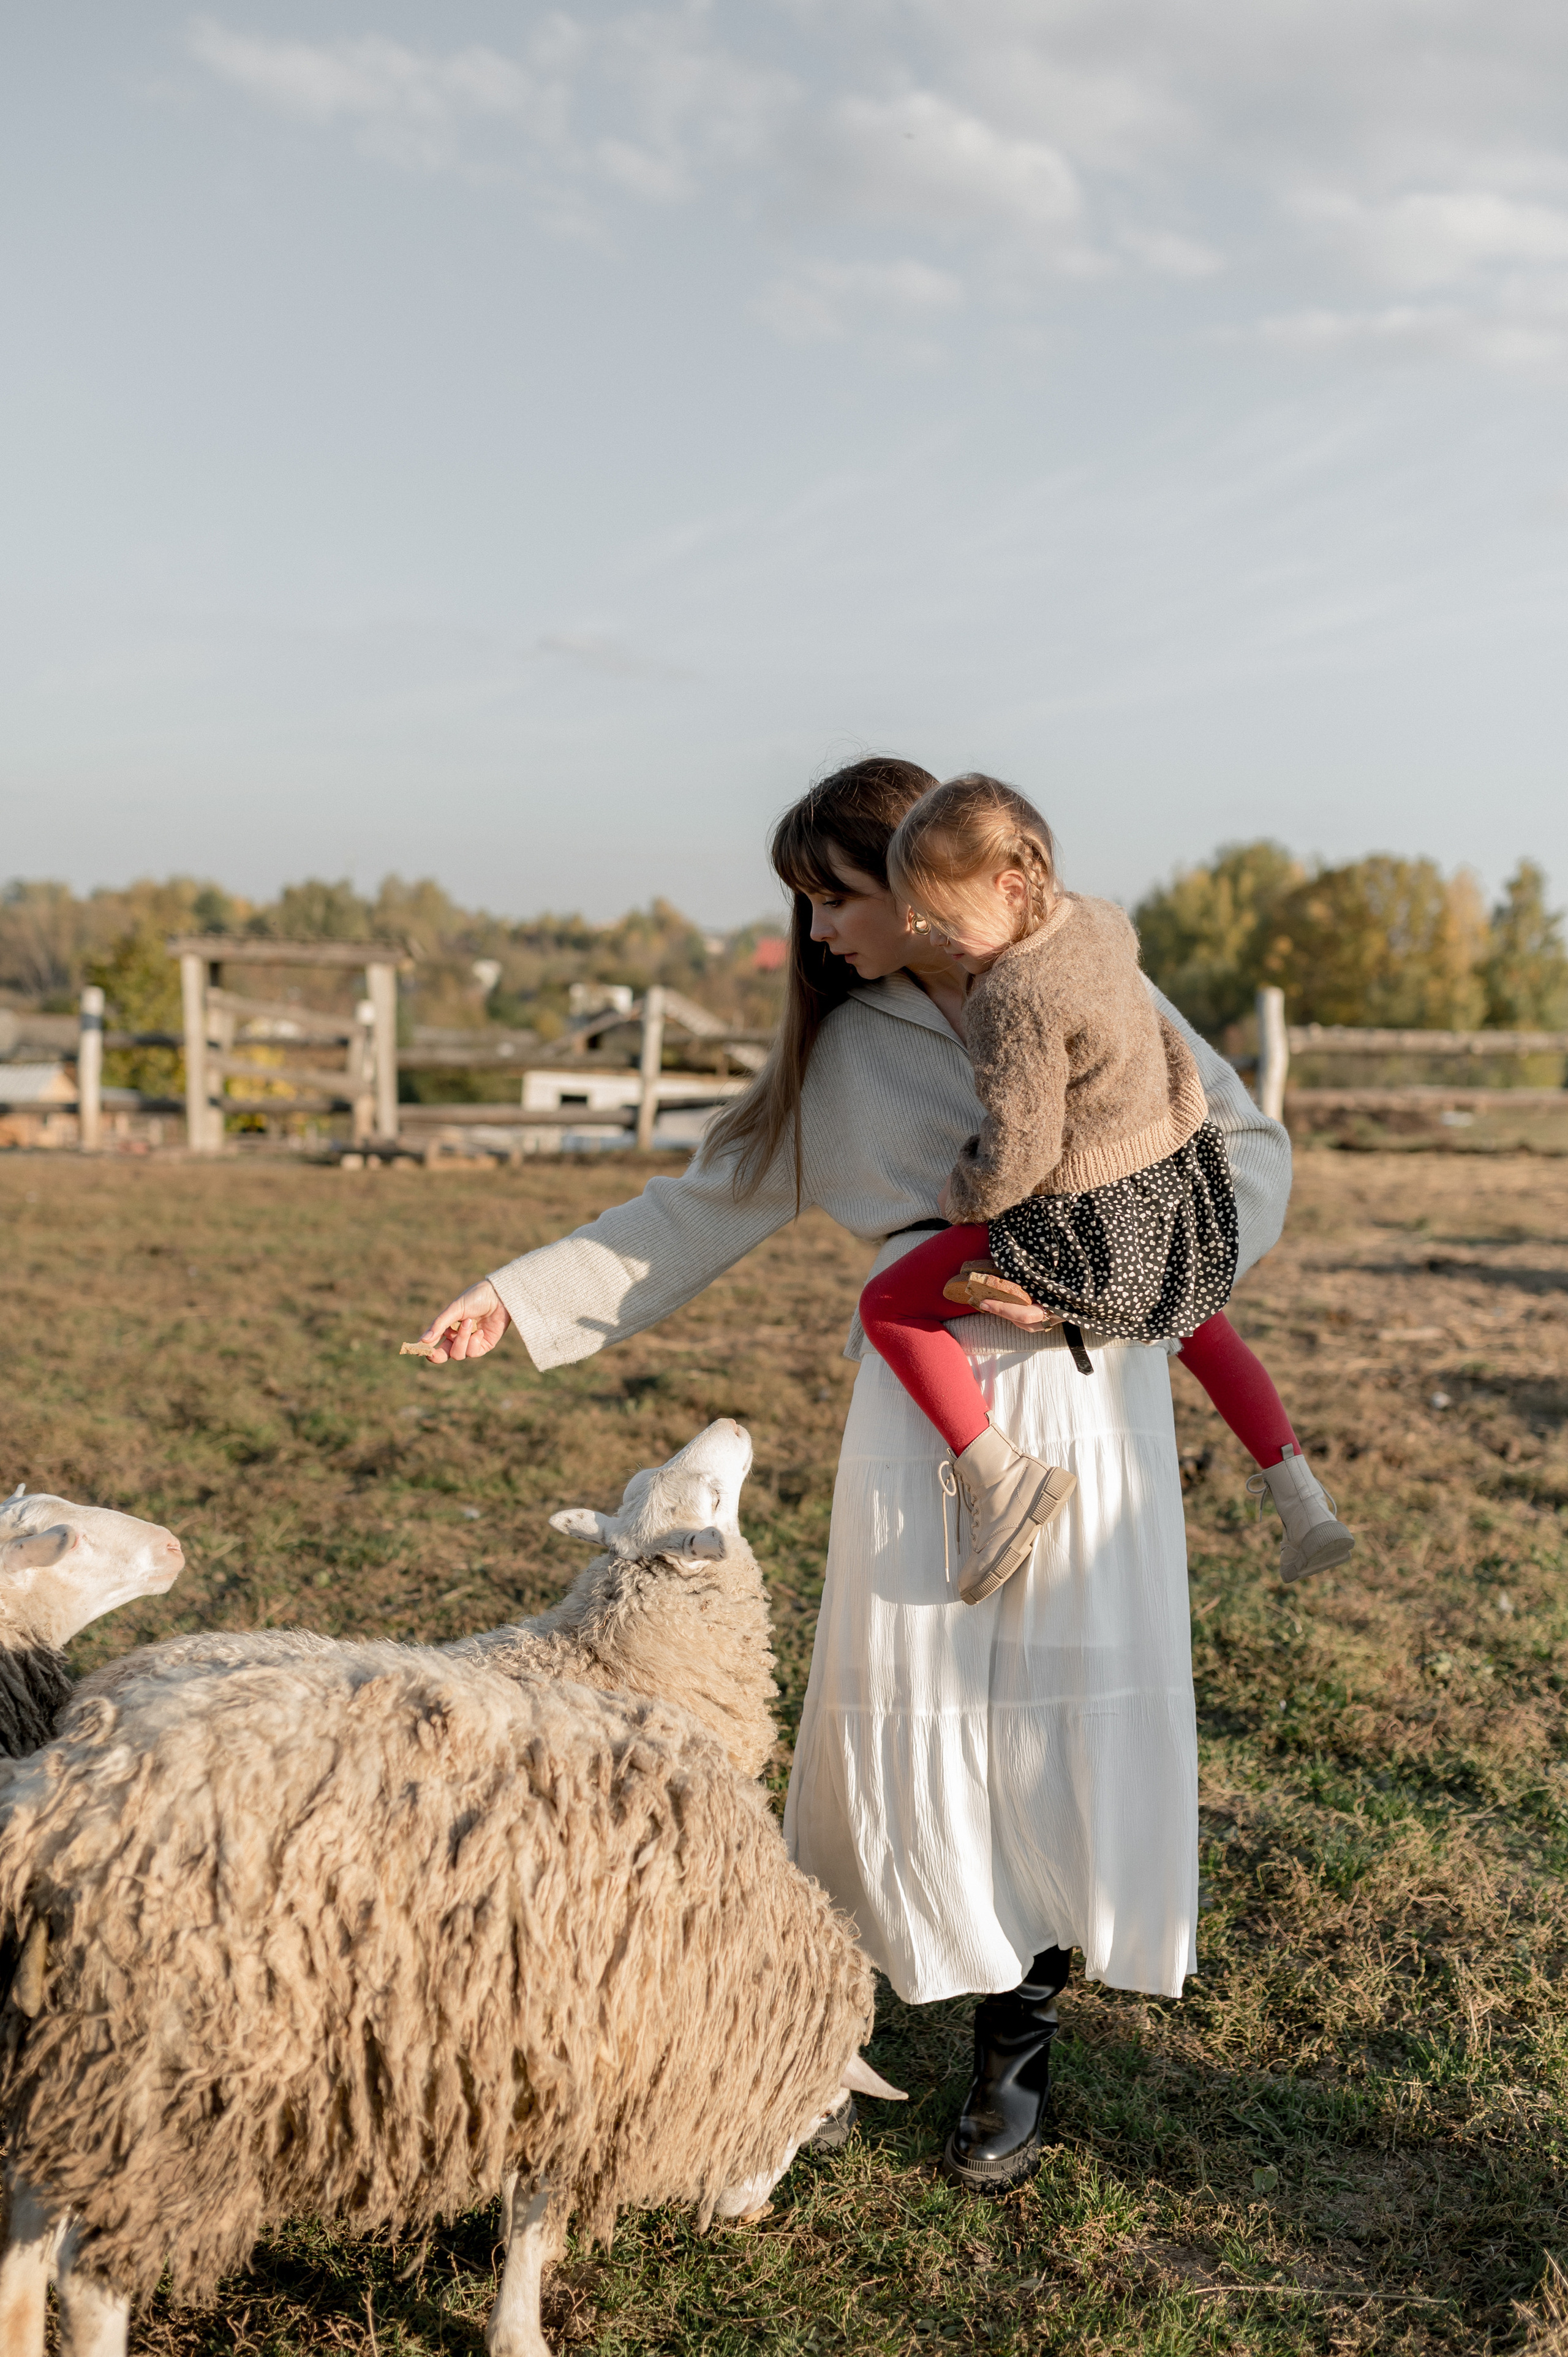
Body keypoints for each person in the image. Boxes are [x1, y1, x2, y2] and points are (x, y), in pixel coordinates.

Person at [415, 755, 1294, 2195]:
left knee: (1062, 1698)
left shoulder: (1090, 970)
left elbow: (1244, 1156)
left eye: (830, 898)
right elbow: (703, 1200)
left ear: (911, 882)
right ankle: (824, 2017)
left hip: (1092, 1384)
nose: (815, 931)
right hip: (926, 1409)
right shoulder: (839, 1055)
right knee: (923, 1699)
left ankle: (1017, 2038)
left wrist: (1113, 1290)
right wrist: (518, 1294)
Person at [857, 774, 1354, 1605]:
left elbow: (1023, 1146)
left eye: (944, 921)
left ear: (1012, 888)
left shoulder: (1009, 998)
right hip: (1172, 1191)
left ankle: (999, 1478)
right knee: (1203, 1329)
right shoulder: (1101, 924)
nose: (935, 940)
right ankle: (1302, 1498)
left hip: (1087, 1223)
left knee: (891, 1306)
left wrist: (966, 1194)